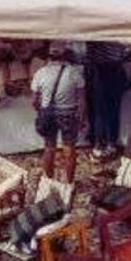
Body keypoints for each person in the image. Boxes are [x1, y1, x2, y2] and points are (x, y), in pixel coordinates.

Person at [30, 46, 85, 184]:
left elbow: (34, 101)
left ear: (48, 58)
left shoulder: (40, 73)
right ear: (66, 57)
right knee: (69, 149)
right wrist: (82, 117)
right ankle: (68, 184)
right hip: (68, 113)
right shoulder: (74, 72)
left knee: (49, 148)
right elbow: (82, 100)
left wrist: (43, 111)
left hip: (48, 113)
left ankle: (48, 182)